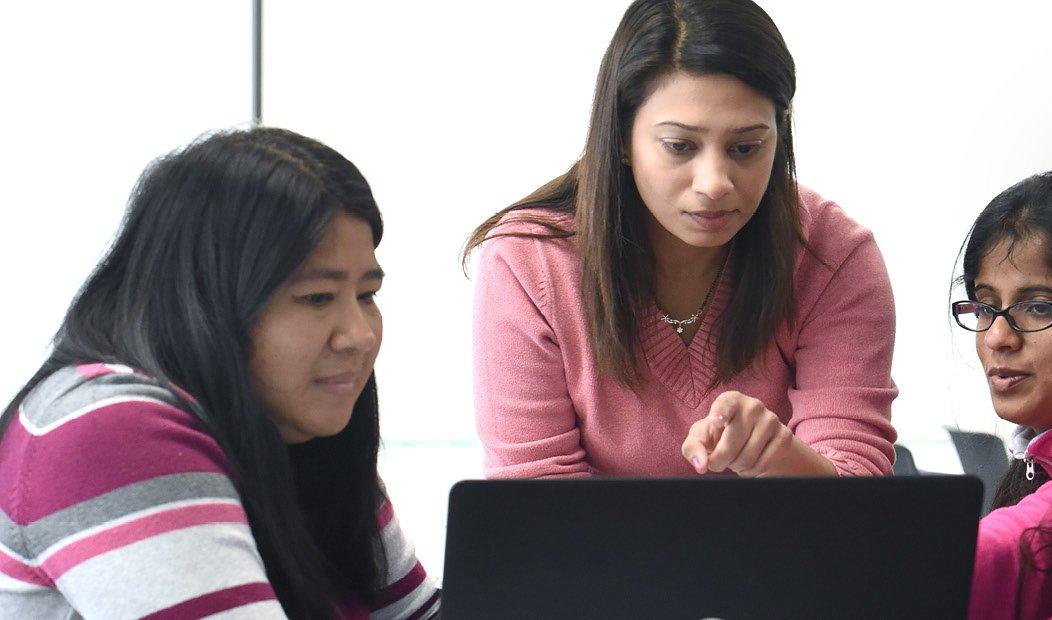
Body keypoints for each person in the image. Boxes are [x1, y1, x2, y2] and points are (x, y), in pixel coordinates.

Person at [0, 128, 439, 618]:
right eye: (317, 298)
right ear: (205, 301)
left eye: (367, 295)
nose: (358, 335)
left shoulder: (289, 420)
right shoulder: (105, 429)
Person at [464, 0, 898, 479]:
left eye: (746, 148)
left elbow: (859, 503)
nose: (715, 183)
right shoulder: (528, 264)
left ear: (780, 134)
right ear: (622, 139)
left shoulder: (832, 255)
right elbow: (537, 509)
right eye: (679, 146)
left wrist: (781, 459)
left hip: (786, 555)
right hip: (596, 557)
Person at [953, 170, 1052, 618]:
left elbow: (1021, 544)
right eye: (983, 305)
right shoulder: (1039, 459)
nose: (997, 337)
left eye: (1037, 307)